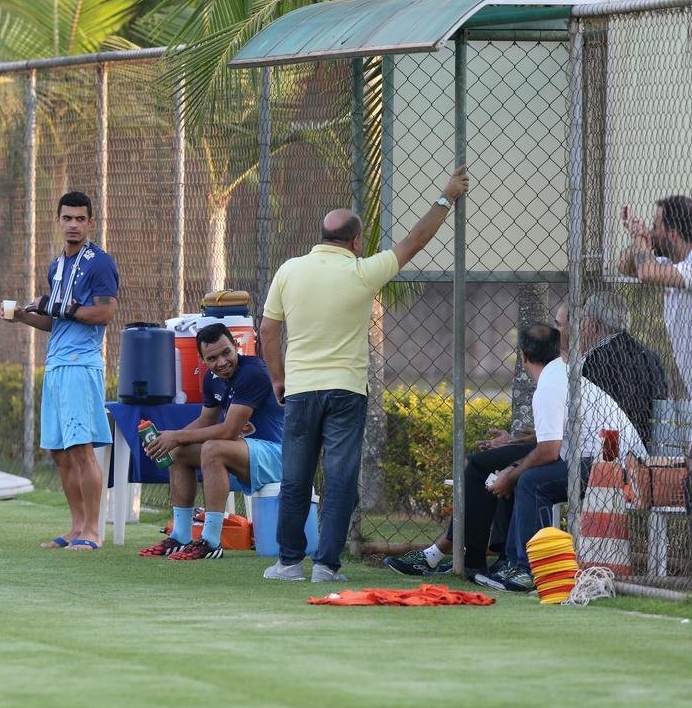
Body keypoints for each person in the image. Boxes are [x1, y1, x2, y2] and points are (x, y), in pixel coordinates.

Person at [260, 166, 469, 582]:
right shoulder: (362, 271)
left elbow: (268, 330)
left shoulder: (289, 270)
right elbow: (415, 241)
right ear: (356, 242)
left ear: (322, 236)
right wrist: (446, 196)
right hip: (347, 390)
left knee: (295, 478)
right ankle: (326, 566)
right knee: (340, 479)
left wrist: (277, 378)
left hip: (300, 389)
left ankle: (288, 563)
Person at [385, 292, 668, 578]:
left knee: (515, 473)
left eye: (561, 324)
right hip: (594, 450)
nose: (561, 331)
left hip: (607, 459)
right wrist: (519, 442)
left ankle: (487, 559)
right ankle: (484, 558)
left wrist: (514, 470)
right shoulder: (574, 367)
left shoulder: (587, 365)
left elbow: (560, 443)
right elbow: (574, 425)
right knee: (488, 463)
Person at [475, 324, 646, 592]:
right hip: (606, 459)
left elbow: (549, 451)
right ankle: (511, 562)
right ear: (557, 351)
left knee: (531, 482)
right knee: (521, 474)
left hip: (616, 466)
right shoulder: (560, 373)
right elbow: (553, 442)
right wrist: (512, 468)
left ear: (523, 357)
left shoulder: (549, 386)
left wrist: (511, 476)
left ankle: (530, 569)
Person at [0, 191, 118, 551]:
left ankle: (93, 531)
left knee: (81, 449)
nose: (73, 225)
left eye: (80, 219)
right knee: (59, 452)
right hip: (56, 365)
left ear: (91, 222)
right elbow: (57, 320)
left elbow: (105, 312)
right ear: (58, 221)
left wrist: (59, 307)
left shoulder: (100, 262)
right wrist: (23, 316)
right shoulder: (57, 265)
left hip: (81, 365)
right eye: (67, 218)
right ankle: (76, 527)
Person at [136, 324, 284, 561]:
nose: (222, 362)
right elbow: (206, 420)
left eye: (226, 353)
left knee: (213, 448)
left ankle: (211, 541)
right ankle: (180, 536)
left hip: (277, 455)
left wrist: (176, 436)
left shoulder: (253, 372)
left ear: (235, 346)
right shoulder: (211, 379)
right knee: (179, 453)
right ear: (202, 359)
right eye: (212, 358)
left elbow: (228, 431)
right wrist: (168, 442)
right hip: (245, 453)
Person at [558, 293, 666, 444]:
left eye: (582, 320)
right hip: (645, 444)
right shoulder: (650, 356)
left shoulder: (595, 361)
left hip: (608, 448)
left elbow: (604, 418)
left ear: (592, 326)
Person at [618, 196, 692, 392]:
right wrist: (638, 237)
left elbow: (646, 273)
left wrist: (640, 237)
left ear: (673, 235)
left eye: (655, 227)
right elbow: (624, 266)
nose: (651, 232)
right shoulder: (672, 263)